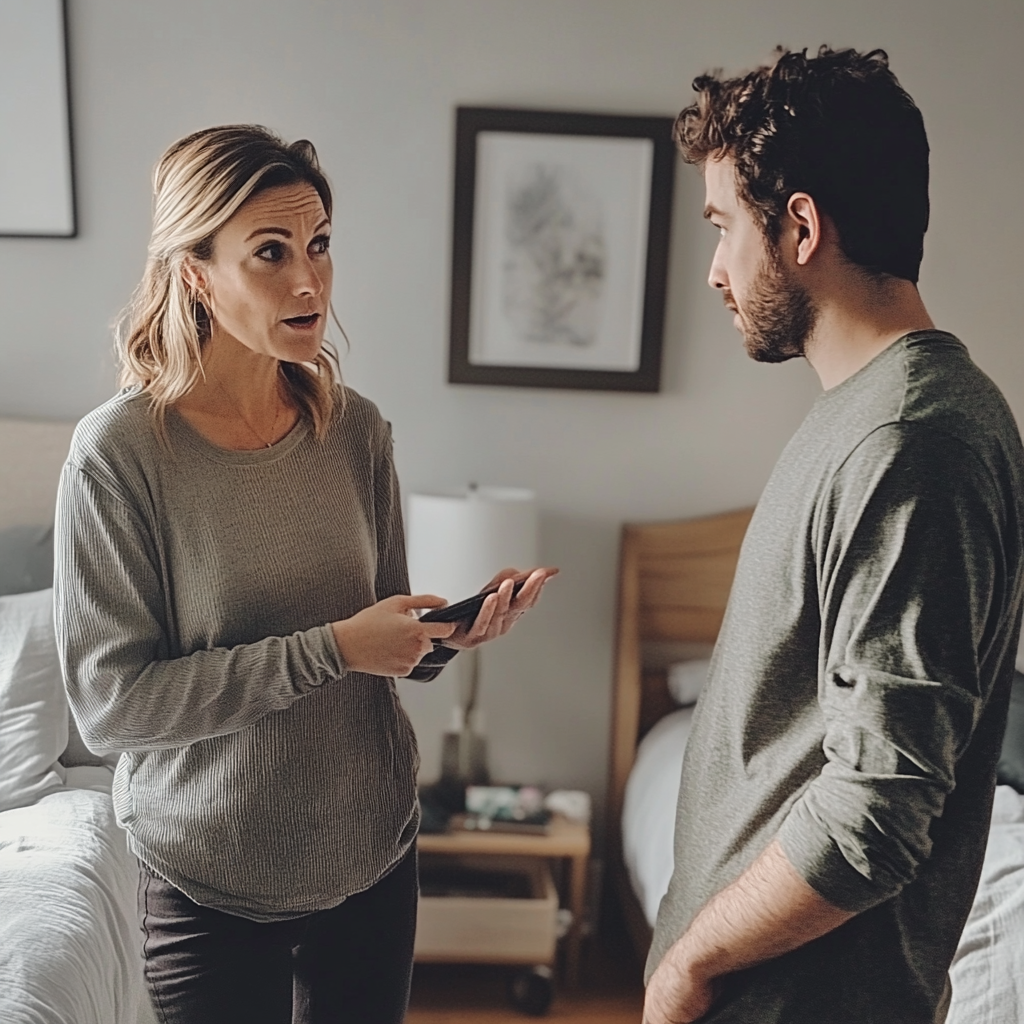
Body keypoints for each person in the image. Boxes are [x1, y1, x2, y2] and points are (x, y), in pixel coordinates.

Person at [53, 125, 556, 1024]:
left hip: (370, 855)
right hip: (207, 881)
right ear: (197, 273)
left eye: (319, 244)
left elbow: (378, 640)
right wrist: (329, 649)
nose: (309, 280)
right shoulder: (119, 457)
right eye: (271, 253)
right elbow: (111, 707)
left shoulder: (354, 429)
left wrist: (449, 635)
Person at [643, 47, 1024, 1024]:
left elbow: (876, 812)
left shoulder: (912, 440)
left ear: (801, 226)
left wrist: (688, 965)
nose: (717, 269)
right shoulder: (866, 416)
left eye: (724, 227)